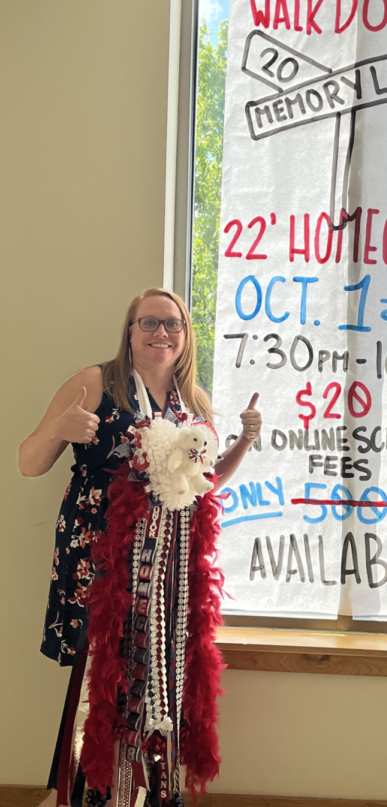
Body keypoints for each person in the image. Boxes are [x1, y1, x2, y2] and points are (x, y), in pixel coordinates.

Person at [19, 287, 262, 807]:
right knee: (100, 677)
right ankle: (85, 794)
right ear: (129, 331)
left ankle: (146, 793)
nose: (161, 333)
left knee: (155, 680)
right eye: (149, 323)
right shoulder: (95, 383)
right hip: (102, 565)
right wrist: (60, 428)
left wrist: (241, 443)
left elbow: (204, 481)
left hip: (167, 572)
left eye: (172, 324)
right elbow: (28, 461)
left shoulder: (192, 402)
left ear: (184, 336)